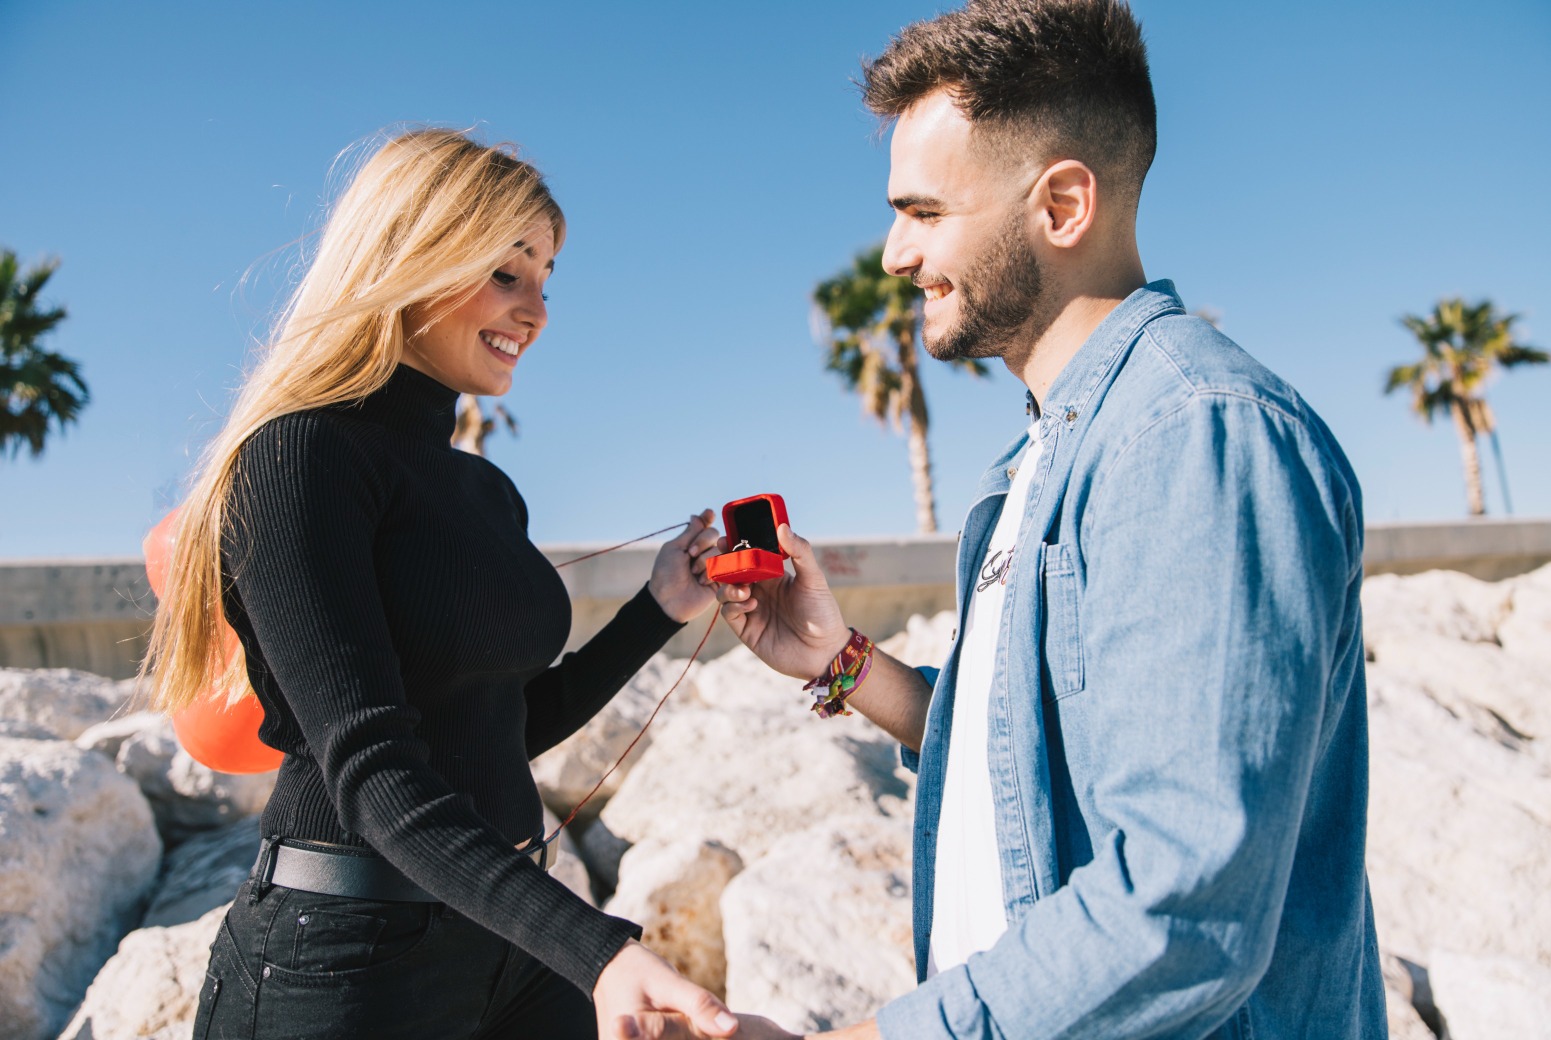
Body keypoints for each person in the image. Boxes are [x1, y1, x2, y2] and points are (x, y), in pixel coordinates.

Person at [628, 1, 1388, 1038]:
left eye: (925, 212)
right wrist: (841, 662)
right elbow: (1039, 762)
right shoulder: (1039, 460)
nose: (895, 254)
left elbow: (1184, 904)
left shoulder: (1195, 435)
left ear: (1063, 203)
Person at [144, 128, 742, 1040]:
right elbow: (374, 772)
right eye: (507, 272)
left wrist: (659, 608)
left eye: (545, 279)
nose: (536, 310)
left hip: (511, 934)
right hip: (343, 963)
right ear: (412, 255)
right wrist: (600, 950)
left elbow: (502, 728)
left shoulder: (484, 489)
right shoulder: (298, 456)